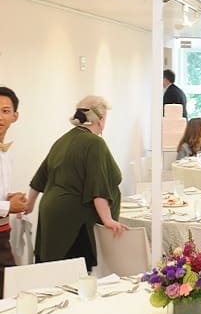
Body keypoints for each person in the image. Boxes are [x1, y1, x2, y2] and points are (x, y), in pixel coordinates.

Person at [26, 95, 127, 271]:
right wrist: (107, 219)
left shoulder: (62, 140)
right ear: (100, 119)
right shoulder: (95, 143)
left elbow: (39, 178)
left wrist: (29, 204)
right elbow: (98, 187)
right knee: (74, 273)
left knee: (50, 271)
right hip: (73, 217)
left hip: (49, 211)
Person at [0, 86, 27, 296]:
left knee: (8, 291)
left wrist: (8, 197)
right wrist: (9, 206)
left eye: (5, 111)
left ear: (15, 116)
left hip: (3, 232)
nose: (0, 116)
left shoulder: (5, 153)